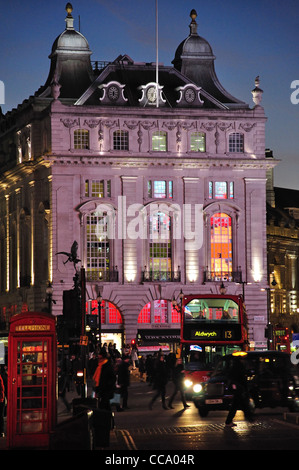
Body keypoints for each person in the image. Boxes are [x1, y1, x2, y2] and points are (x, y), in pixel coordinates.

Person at [225, 358, 253, 427]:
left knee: (237, 404)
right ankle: (249, 417)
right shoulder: (240, 367)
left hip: (236, 389)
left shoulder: (233, 367)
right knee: (240, 404)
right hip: (238, 389)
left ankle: (229, 421)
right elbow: (242, 378)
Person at [0, 369, 6, 437]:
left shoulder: (1, 377)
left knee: (1, 416)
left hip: (1, 399)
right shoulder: (1, 376)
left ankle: (1, 431)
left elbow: (2, 389)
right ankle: (1, 431)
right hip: (1, 399)